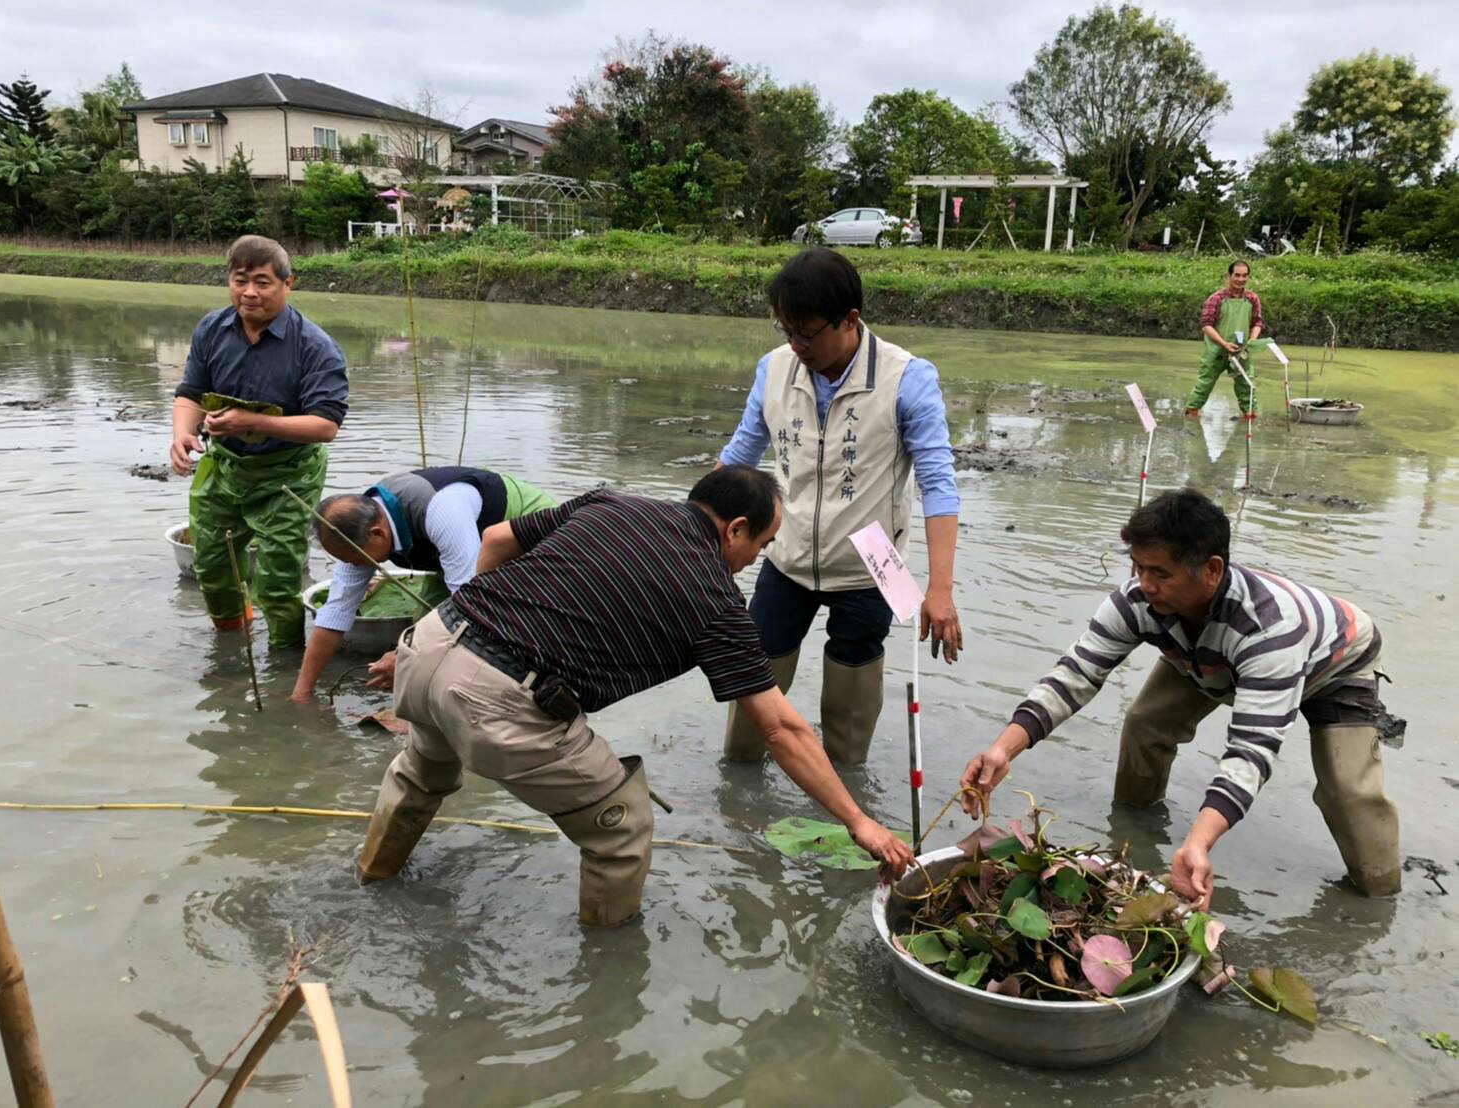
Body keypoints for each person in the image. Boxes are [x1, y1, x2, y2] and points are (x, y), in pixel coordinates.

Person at [356, 466, 913, 927]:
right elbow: (780, 729)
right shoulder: (717, 604)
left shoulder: (611, 502)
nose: (754, 562)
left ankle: (370, 880)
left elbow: (497, 539)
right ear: (736, 529)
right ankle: (609, 973)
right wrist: (858, 821)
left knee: (421, 771)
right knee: (621, 830)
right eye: (762, 546)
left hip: (426, 646)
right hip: (497, 701)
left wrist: (478, 626)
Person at [958, 488, 1399, 909]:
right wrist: (1003, 748)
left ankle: (1379, 899)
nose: (1145, 585)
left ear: (1211, 569)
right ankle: (1133, 833)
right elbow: (1075, 674)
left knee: (1348, 791)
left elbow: (1251, 750)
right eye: (1138, 567)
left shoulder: (1268, 629)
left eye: (1160, 573)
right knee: (1146, 722)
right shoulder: (1142, 600)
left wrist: (1199, 843)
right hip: (1200, 651)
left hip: (1335, 663)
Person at [717, 248, 962, 766]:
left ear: (850, 320)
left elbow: (938, 485)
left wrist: (939, 590)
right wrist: (690, 542)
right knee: (753, 693)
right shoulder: (774, 369)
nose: (796, 344)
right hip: (786, 558)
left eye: (806, 332)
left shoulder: (908, 379)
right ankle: (738, 796)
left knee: (850, 719)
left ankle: (846, 802)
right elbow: (740, 458)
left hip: (869, 569)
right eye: (786, 330)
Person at [169, 235, 348, 649]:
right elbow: (191, 393)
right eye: (240, 279)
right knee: (212, 564)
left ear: (288, 284)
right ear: (229, 281)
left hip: (289, 473)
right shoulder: (212, 329)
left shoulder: (315, 347)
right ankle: (231, 644)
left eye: (263, 282)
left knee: (278, 579)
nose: (250, 292)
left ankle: (284, 663)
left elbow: (325, 426)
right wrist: (182, 432)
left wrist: (252, 421)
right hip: (225, 465)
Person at [290, 465, 556, 702]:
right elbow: (335, 612)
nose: (356, 566)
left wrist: (404, 660)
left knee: (491, 638)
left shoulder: (443, 512)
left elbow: (471, 610)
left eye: (357, 559)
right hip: (461, 557)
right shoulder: (357, 533)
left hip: (525, 535)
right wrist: (302, 692)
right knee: (421, 632)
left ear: (378, 534)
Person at [1186, 260, 1264, 419]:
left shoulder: (1252, 298)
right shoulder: (1216, 298)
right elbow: (1206, 325)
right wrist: (1223, 343)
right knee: (1204, 384)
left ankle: (1249, 418)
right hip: (1217, 350)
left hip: (1241, 351)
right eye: (1237, 275)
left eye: (1245, 276)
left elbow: (1257, 322)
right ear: (1228, 276)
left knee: (1246, 386)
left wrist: (1252, 339)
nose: (1241, 279)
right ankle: (1191, 415)